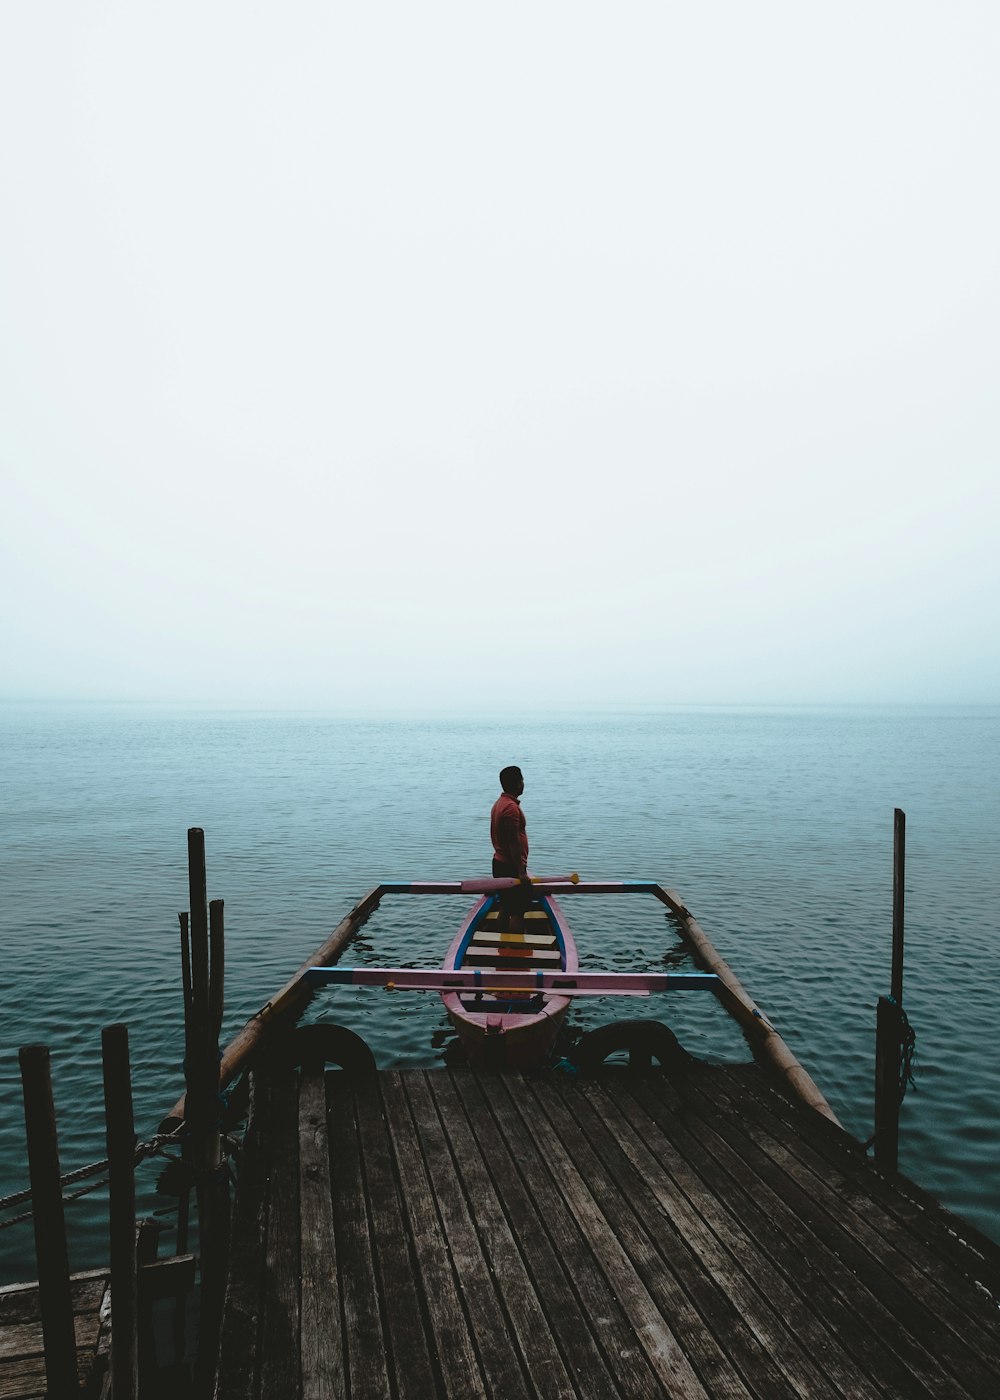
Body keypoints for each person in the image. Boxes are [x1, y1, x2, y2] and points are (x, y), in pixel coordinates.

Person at [490, 765, 531, 930]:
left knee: (505, 907)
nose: (523, 783)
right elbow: (513, 842)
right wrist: (521, 871)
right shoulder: (511, 808)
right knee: (517, 912)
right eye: (522, 779)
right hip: (510, 866)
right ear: (516, 783)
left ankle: (503, 945)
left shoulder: (499, 803)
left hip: (499, 863)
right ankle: (514, 950)